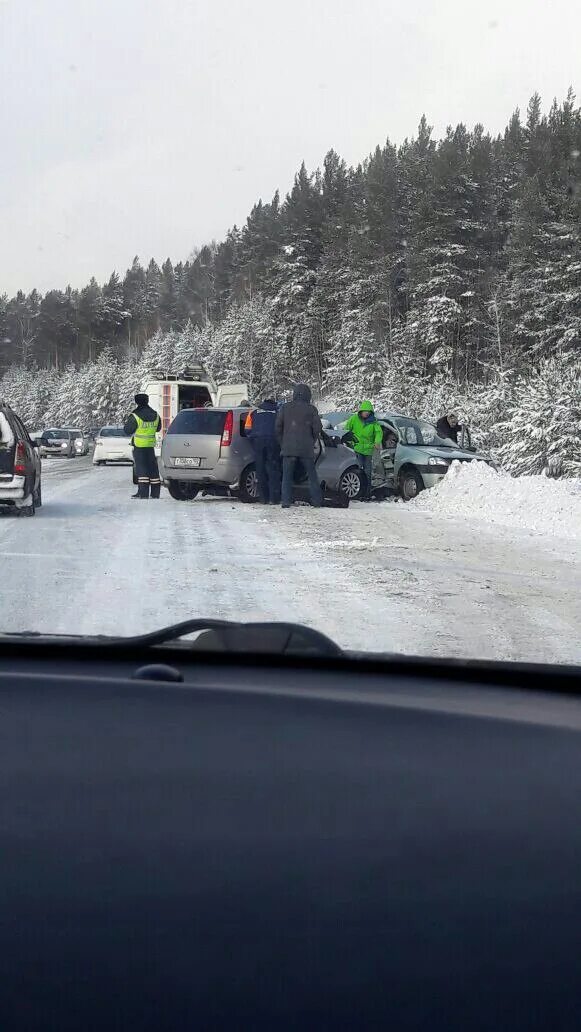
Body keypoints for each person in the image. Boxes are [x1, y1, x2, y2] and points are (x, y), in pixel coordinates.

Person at [275, 383, 323, 509]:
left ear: (294, 394)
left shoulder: (285, 408)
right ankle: (317, 501)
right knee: (312, 476)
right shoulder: (311, 409)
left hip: (288, 448)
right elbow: (317, 428)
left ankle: (286, 501)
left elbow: (277, 428)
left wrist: (283, 443)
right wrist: (311, 440)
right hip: (306, 448)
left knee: (287, 476)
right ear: (308, 395)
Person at [341, 401, 383, 501]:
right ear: (361, 411)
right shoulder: (354, 419)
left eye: (368, 412)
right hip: (356, 449)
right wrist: (348, 441)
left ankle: (366, 494)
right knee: (357, 471)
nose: (366, 413)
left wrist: (377, 442)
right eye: (365, 411)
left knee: (367, 473)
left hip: (368, 450)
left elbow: (378, 432)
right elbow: (346, 430)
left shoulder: (374, 421)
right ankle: (356, 493)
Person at [124, 393, 162, 499]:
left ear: (137, 402)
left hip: (139, 445)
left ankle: (143, 493)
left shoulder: (135, 415)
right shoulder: (155, 414)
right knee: (153, 468)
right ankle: (155, 493)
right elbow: (158, 428)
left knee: (142, 469)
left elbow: (127, 430)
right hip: (150, 446)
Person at [244, 398, 280, 504]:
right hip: (273, 441)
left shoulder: (254, 412)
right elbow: (282, 427)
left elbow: (247, 429)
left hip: (258, 442)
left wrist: (253, 439)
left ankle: (263, 498)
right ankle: (274, 498)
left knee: (260, 470)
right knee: (273, 470)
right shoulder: (277, 412)